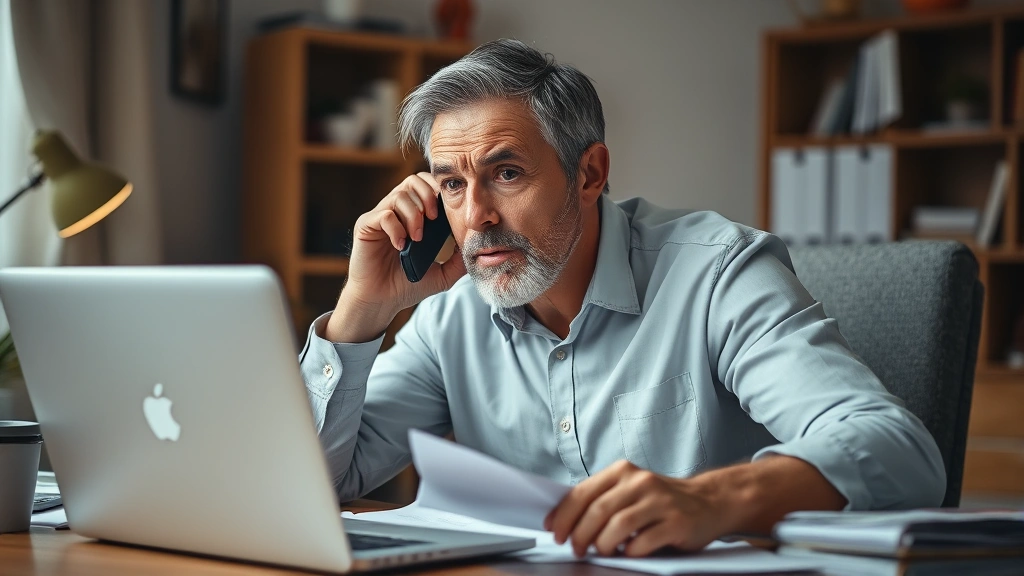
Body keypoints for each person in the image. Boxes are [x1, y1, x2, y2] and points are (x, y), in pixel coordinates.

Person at [299, 39, 944, 558]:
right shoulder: (450, 315)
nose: (476, 218)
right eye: (452, 185)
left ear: (589, 173)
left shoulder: (716, 273)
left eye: (507, 173)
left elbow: (899, 451)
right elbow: (314, 484)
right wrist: (362, 312)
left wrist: (715, 499)